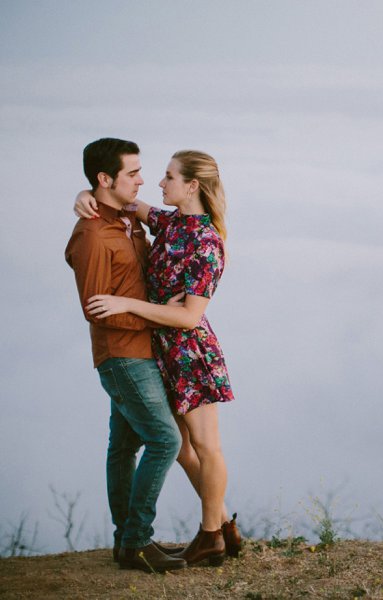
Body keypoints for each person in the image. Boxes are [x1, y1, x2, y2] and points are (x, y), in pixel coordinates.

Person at [74, 148, 241, 567]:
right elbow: (121, 198)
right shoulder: (171, 222)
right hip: (160, 350)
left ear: (191, 186)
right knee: (181, 447)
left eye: (168, 177)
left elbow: (188, 316)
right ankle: (225, 527)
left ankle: (210, 536)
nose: (158, 183)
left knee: (205, 446)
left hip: (189, 354)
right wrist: (83, 193)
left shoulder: (205, 242)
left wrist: (125, 304)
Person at [65, 138, 187, 573]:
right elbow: (95, 309)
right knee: (165, 439)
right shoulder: (95, 233)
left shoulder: (126, 222)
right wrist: (157, 319)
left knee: (124, 447)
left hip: (140, 351)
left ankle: (125, 543)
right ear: (105, 179)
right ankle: (137, 540)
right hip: (122, 355)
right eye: (132, 173)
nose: (141, 180)